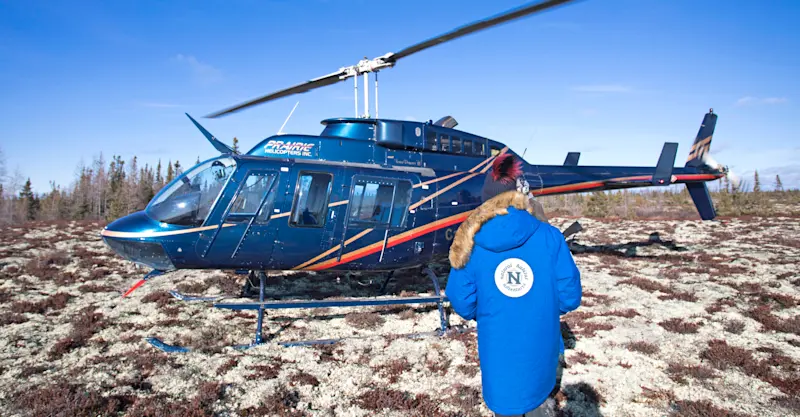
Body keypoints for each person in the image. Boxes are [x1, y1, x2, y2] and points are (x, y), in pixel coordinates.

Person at [445, 166, 582, 416]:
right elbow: (570, 295)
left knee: (505, 403)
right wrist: (545, 307)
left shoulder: (469, 241)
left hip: (497, 349)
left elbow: (461, 300)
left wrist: (488, 313)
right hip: (540, 347)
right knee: (538, 401)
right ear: (517, 194)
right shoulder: (550, 236)